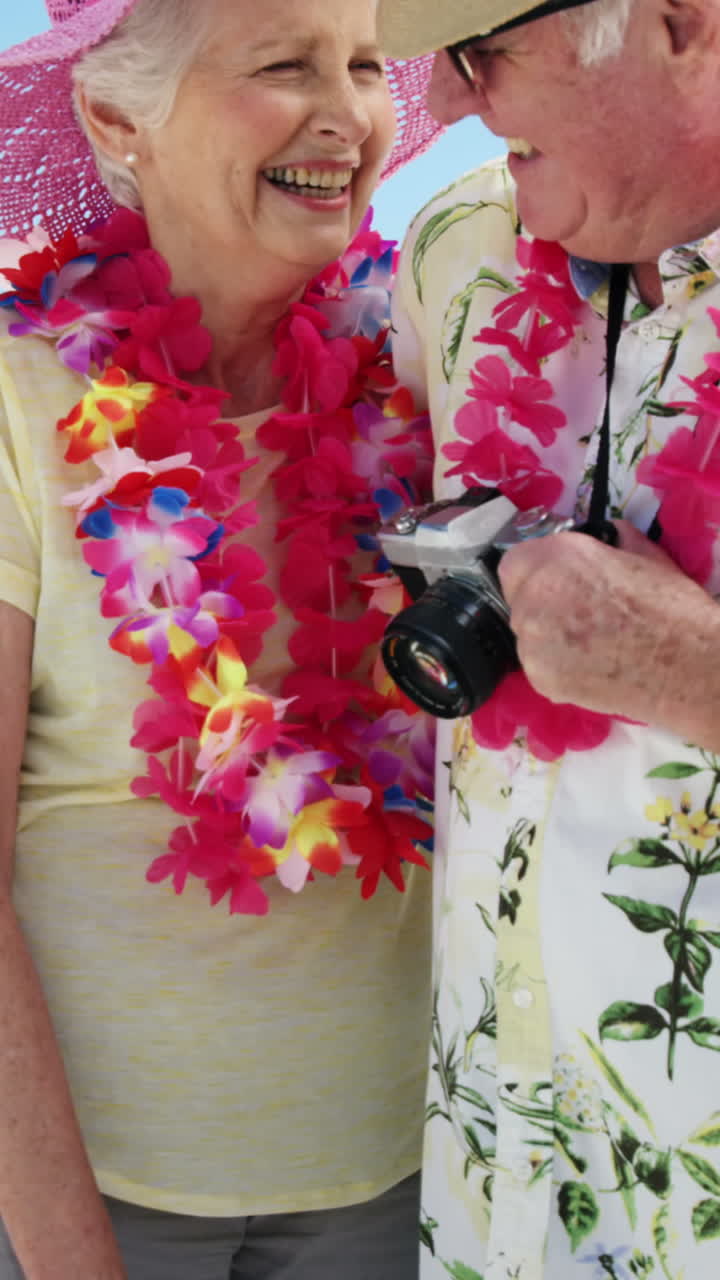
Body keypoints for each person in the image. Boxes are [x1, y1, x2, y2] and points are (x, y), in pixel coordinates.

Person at [0, 1, 441, 1276]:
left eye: (365, 65)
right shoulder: (22, 398)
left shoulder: (413, 367)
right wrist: (71, 1253)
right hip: (101, 1203)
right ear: (114, 117)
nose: (351, 112)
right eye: (282, 64)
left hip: (398, 1175)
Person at [377, 0, 720, 1276]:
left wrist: (697, 670)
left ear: (680, 23)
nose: (453, 104)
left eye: (483, 52)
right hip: (488, 1193)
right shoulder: (453, 246)